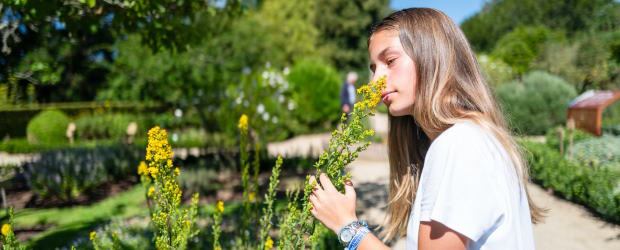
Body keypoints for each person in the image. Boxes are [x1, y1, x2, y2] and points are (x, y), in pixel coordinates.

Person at [308, 8, 544, 250]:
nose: (375, 82)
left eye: (390, 61)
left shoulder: (458, 144)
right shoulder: (469, 138)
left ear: (432, 56)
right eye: (373, 68)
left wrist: (347, 227)